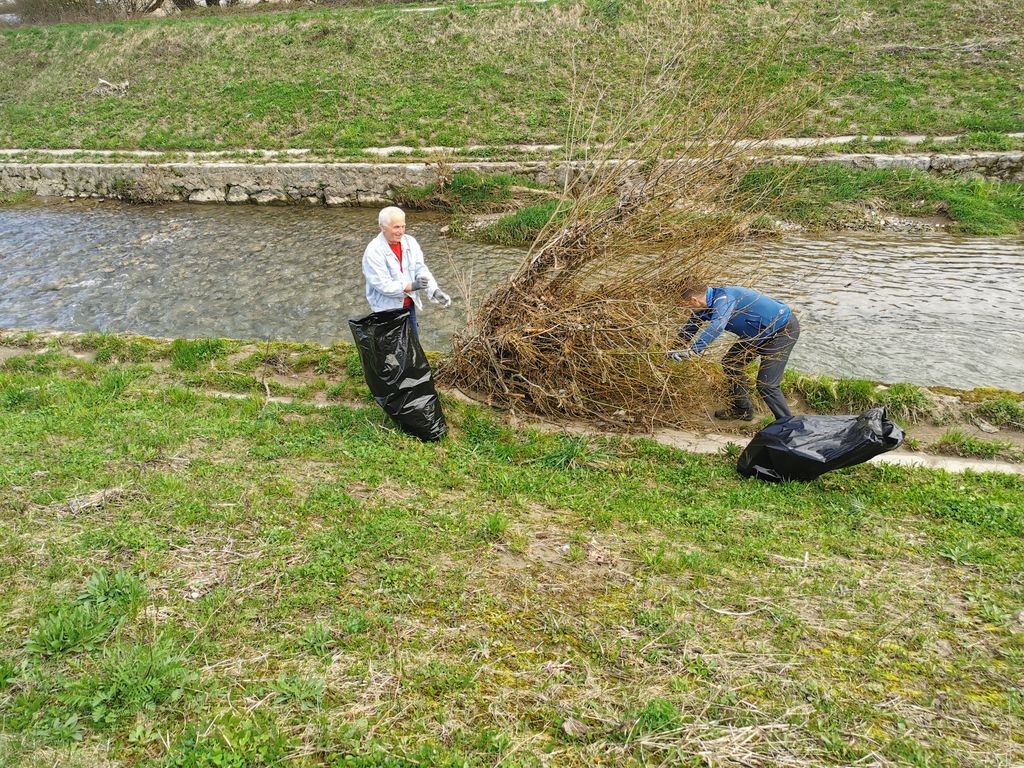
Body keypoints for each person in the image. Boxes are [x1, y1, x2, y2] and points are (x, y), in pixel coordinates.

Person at [667, 283, 800, 422]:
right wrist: (669, 353)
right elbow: (688, 330)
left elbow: (717, 326)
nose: (684, 309)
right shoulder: (703, 307)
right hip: (757, 334)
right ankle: (743, 410)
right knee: (731, 363)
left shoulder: (724, 299)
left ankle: (788, 425)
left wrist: (693, 351)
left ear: (694, 300)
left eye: (685, 305)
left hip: (782, 331)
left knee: (766, 385)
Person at [362, 206, 451, 336]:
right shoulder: (373, 251)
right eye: (396, 227)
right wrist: (411, 286)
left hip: (409, 306)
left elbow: (420, 269)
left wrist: (434, 290)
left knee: (413, 344)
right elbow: (383, 285)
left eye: (403, 226)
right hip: (386, 310)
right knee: (392, 348)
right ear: (382, 227)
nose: (401, 231)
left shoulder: (410, 242)